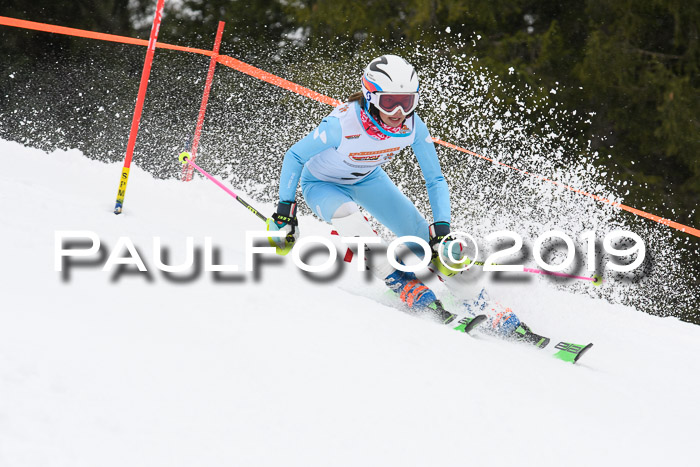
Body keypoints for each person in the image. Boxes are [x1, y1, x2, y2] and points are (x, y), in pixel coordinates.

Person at [267, 54, 531, 340]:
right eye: (389, 102)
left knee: (428, 243)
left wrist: (442, 230)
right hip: (322, 184)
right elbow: (294, 155)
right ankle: (400, 281)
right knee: (350, 219)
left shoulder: (413, 127)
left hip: (368, 179)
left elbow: (435, 179)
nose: (398, 111)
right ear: (370, 96)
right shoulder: (341, 126)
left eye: (406, 102)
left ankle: (478, 300)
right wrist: (285, 211)